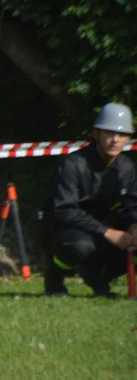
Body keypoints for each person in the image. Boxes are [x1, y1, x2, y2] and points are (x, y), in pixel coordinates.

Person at [41, 104, 137, 297]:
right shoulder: (72, 164)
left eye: (122, 134)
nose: (115, 140)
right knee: (79, 247)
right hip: (66, 230)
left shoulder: (126, 168)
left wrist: (134, 224)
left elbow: (131, 204)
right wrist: (108, 232)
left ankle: (98, 278)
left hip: (105, 230)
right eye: (109, 133)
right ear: (96, 133)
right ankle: (54, 277)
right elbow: (64, 210)